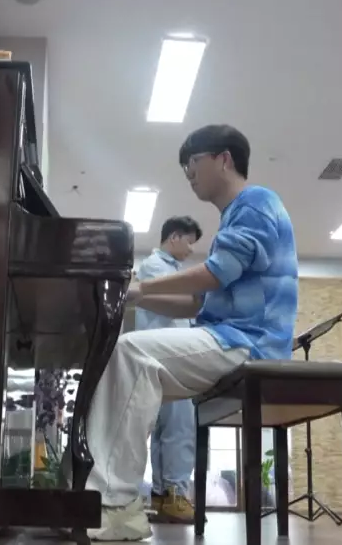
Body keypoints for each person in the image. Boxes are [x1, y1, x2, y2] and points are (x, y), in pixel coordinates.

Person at [83, 125, 298, 541]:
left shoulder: (256, 201)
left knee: (131, 354)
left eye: (192, 162)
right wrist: (136, 298)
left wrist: (143, 286)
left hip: (251, 342)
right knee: (130, 360)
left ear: (224, 159)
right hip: (229, 335)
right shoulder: (234, 217)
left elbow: (217, 273)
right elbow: (198, 303)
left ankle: (114, 504)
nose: (188, 173)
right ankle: (114, 500)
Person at [134, 215, 204, 523]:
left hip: (162, 358)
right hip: (171, 359)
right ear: (174, 237)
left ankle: (164, 498)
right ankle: (175, 494)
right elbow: (186, 303)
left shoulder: (166, 270)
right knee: (179, 428)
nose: (191, 249)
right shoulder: (156, 268)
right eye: (189, 241)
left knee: (165, 430)